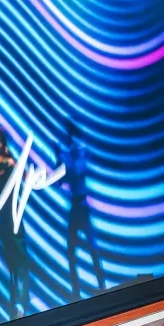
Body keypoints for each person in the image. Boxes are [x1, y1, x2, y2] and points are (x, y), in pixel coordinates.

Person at [58, 118, 105, 300]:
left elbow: (78, 171)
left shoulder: (80, 152)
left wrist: (66, 158)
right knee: (71, 252)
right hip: (75, 207)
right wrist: (59, 159)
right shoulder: (66, 156)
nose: (68, 138)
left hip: (82, 207)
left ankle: (102, 287)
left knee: (92, 249)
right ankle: (76, 292)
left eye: (70, 134)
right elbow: (61, 181)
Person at [0, 130, 32, 319]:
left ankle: (19, 305)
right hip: (9, 217)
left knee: (17, 263)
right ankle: (18, 305)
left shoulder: (1, 164)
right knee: (17, 263)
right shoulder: (4, 163)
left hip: (9, 217)